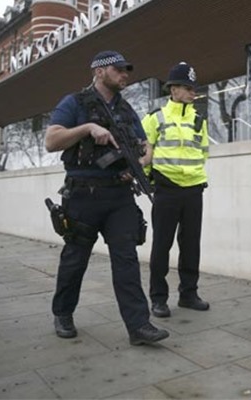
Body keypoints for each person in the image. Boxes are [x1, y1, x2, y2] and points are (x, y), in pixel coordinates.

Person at [44, 50, 169, 346]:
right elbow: (51, 140)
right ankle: (62, 313)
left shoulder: (126, 110)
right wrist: (88, 128)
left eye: (127, 70)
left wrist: (135, 164)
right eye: (118, 69)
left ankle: (139, 326)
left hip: (119, 196)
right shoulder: (74, 103)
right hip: (83, 196)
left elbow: (146, 148)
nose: (125, 74)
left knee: (126, 260)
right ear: (99, 71)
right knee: (75, 260)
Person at [141, 62, 210, 318]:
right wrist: (149, 180)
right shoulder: (154, 118)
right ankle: (158, 298)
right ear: (174, 89)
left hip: (193, 190)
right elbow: (143, 153)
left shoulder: (199, 120)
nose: (193, 92)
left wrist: (193, 176)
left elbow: (203, 153)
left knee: (191, 245)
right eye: (188, 87)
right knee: (162, 245)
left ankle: (188, 294)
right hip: (166, 190)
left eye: (194, 88)